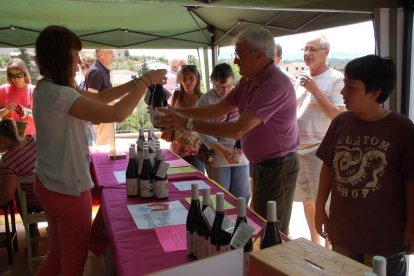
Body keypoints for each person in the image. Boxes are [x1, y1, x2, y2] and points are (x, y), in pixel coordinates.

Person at [33, 25, 166, 275]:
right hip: (68, 189)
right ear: (62, 56)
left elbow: (102, 99)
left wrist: (137, 82)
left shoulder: (46, 89)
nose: (78, 61)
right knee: (72, 263)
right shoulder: (61, 94)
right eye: (74, 55)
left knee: (57, 254)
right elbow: (116, 113)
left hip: (49, 183)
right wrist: (147, 81)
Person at [158, 26, 299, 235]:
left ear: (258, 55)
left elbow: (237, 129)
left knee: (273, 230)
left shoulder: (275, 85)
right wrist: (179, 114)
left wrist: (186, 123)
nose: (235, 61)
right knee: (261, 222)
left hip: (278, 167)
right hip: (264, 165)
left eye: (239, 55)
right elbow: (218, 108)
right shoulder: (249, 81)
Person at [315, 55, 414, 275]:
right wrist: (320, 207)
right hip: (344, 233)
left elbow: (411, 182)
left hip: (385, 239)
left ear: (375, 92)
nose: (343, 93)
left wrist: (411, 226)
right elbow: (328, 168)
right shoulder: (341, 122)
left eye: (351, 87)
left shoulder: (402, 128)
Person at [294, 34, 345, 246]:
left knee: (325, 205)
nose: (307, 54)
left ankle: (329, 249)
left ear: (326, 52)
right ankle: (314, 244)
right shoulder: (301, 78)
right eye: (305, 49)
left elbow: (339, 116)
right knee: (307, 201)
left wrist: (315, 90)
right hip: (298, 151)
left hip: (320, 152)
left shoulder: (336, 79)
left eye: (312, 49)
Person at [197, 63, 250, 202]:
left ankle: (240, 222)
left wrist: (244, 146)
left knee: (242, 196)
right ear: (212, 82)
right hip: (218, 154)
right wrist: (222, 150)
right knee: (221, 197)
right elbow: (201, 130)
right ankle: (221, 223)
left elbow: (250, 122)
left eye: (229, 86)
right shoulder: (206, 100)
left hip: (240, 153)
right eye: (221, 87)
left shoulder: (241, 96)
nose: (226, 91)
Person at [0, 118, 41, 251]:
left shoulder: (7, 161)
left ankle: (32, 230)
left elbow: (7, 195)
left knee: (19, 194)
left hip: (33, 201)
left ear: (3, 139)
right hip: (53, 192)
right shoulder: (32, 140)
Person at [167, 64, 205, 173]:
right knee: (177, 180)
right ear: (180, 80)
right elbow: (171, 116)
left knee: (197, 182)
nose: (187, 82)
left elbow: (206, 122)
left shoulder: (202, 97)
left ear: (197, 79)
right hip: (176, 147)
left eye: (191, 78)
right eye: (184, 78)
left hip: (195, 150)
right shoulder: (176, 95)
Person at [85, 49, 116, 147]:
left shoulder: (100, 70)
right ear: (101, 54)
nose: (114, 56)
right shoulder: (97, 72)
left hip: (105, 119)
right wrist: (118, 104)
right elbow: (92, 100)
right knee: (106, 154)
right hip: (102, 121)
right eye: (111, 53)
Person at [0, 58, 36, 136]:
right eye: (12, 76)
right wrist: (6, 109)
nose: (16, 79)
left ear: (25, 74)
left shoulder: (34, 90)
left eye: (19, 75)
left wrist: (27, 112)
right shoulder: (2, 90)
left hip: (30, 137)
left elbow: (41, 116)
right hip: (8, 137)